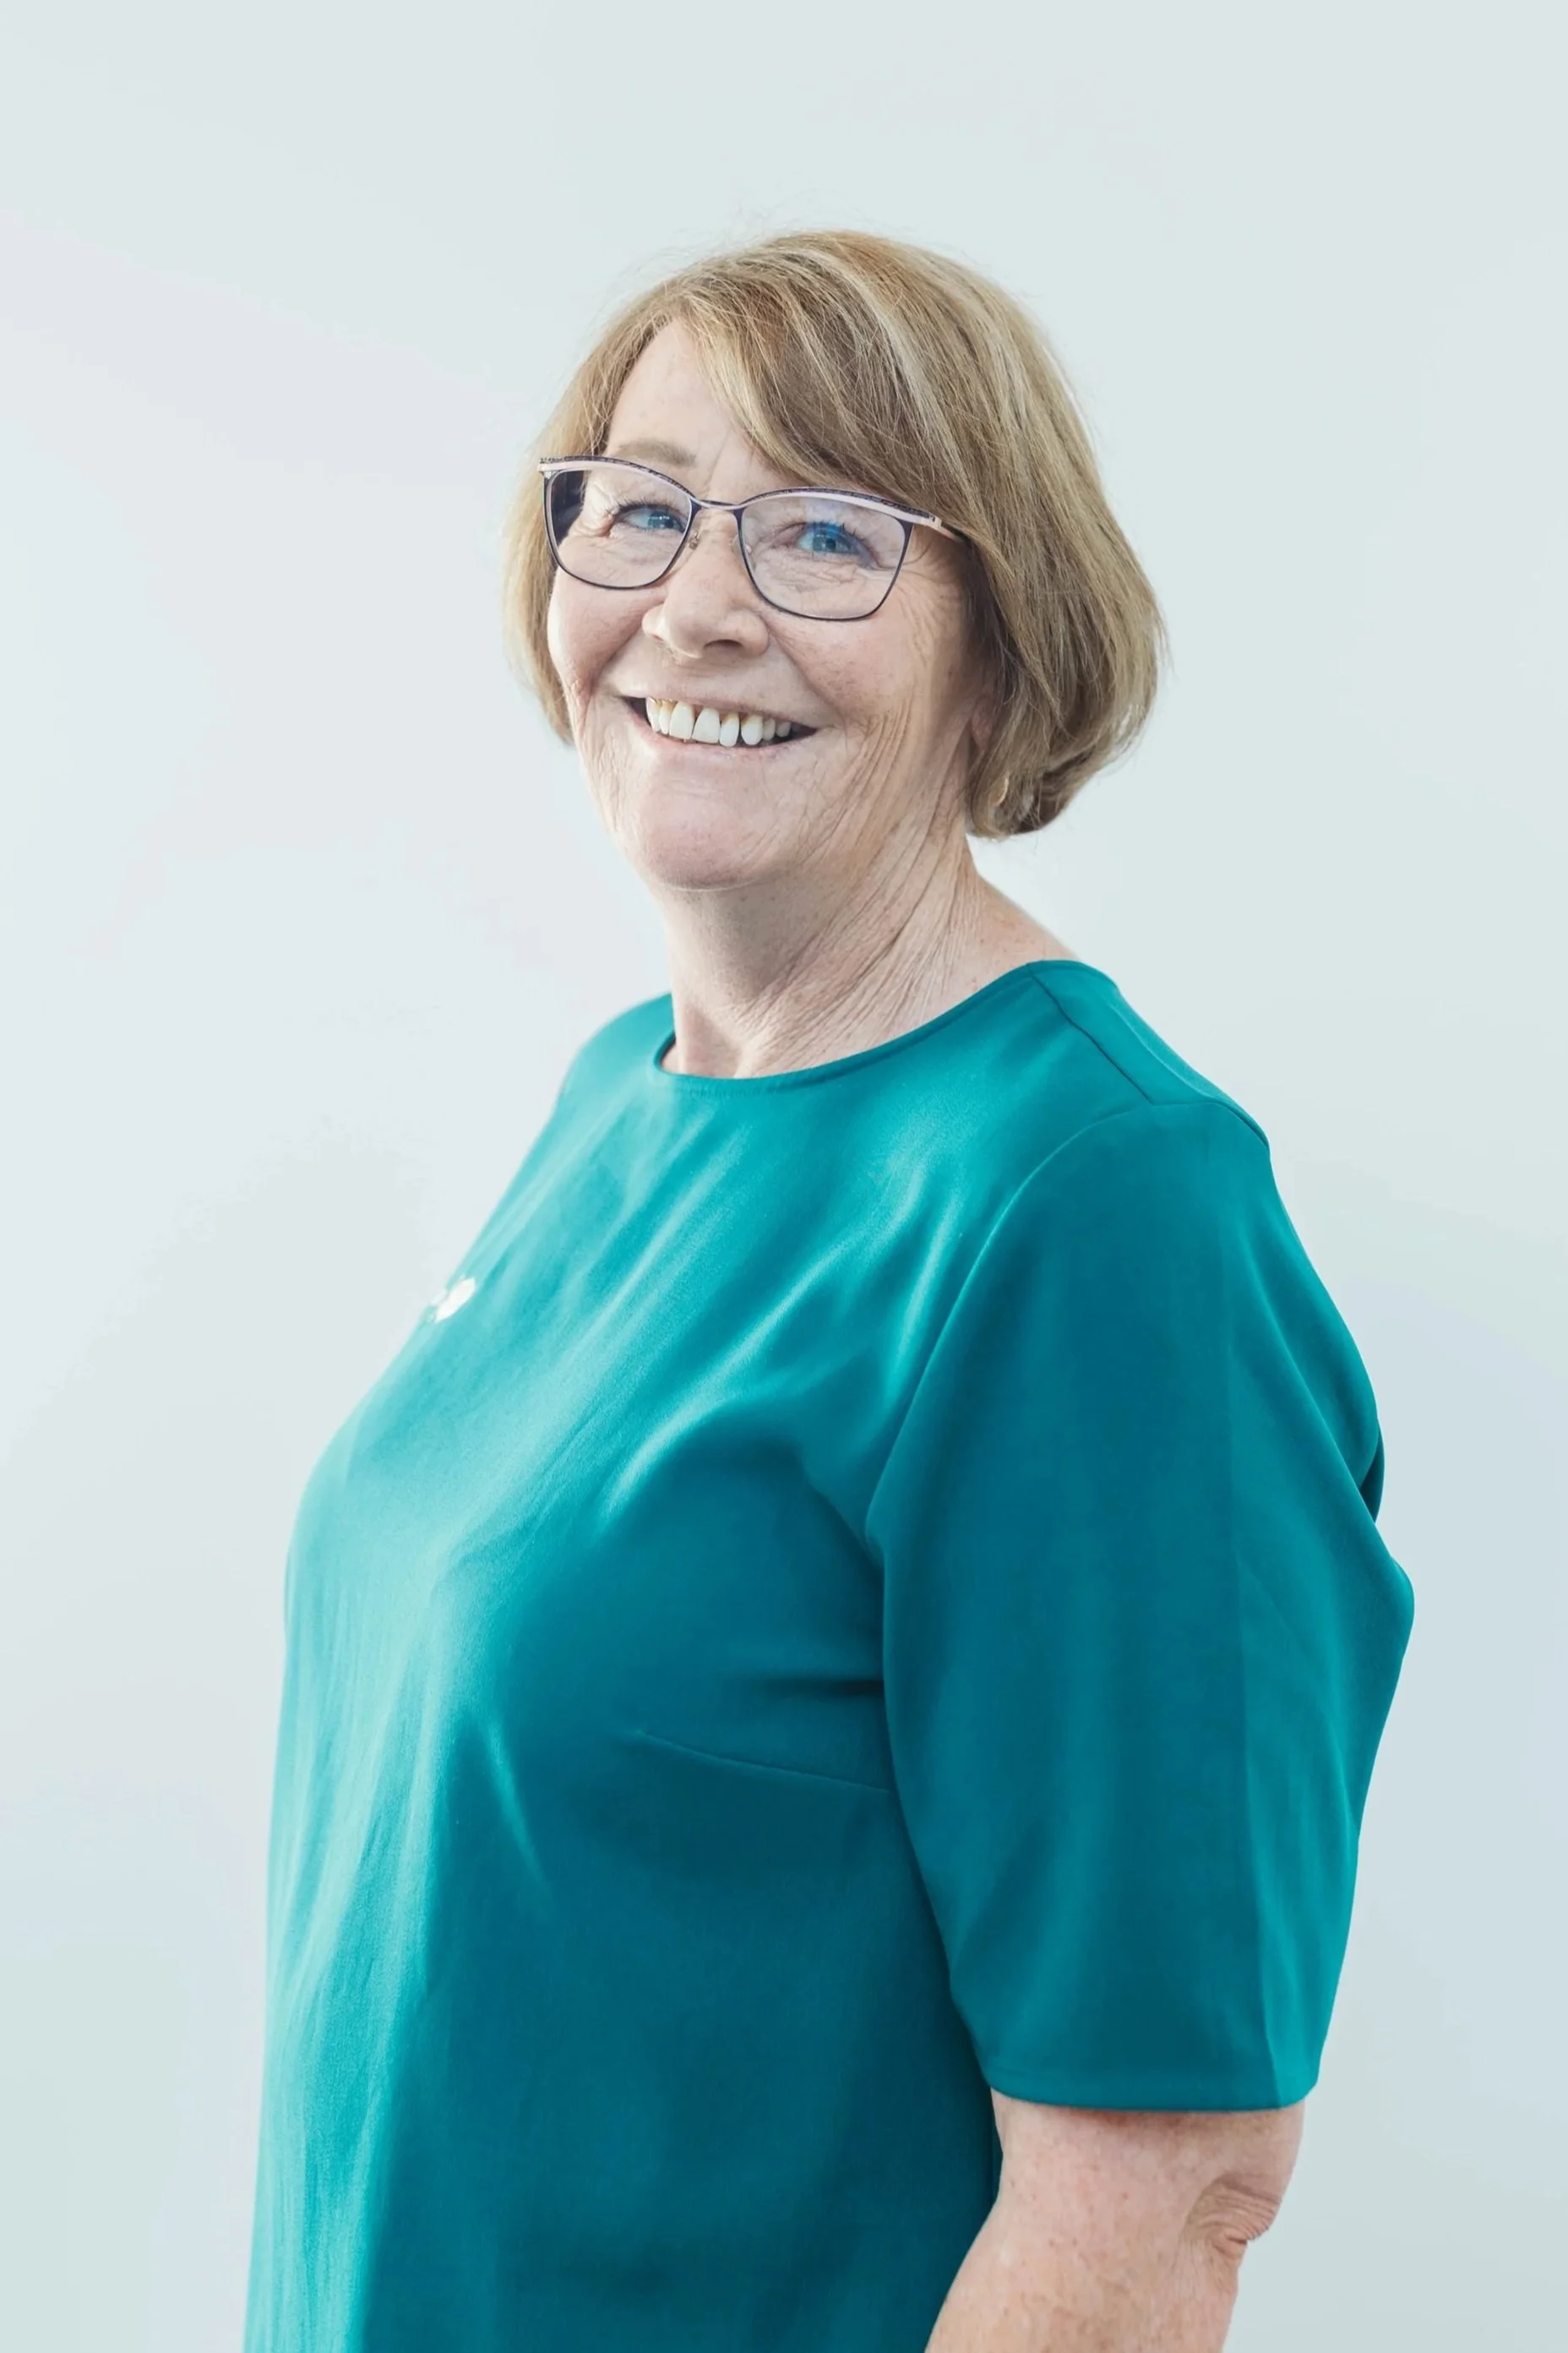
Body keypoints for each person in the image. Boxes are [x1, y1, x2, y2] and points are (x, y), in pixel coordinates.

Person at [242, 229, 1414, 2353]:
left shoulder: (1095, 1213)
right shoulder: (631, 1093)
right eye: (648, 504)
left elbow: (1161, 2199)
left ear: (1002, 645)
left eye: (826, 536)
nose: (700, 602)